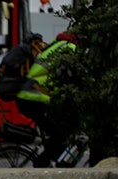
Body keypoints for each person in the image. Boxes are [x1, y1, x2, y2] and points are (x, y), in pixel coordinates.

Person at [15, 33, 77, 167]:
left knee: (59, 131)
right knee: (58, 135)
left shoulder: (55, 46)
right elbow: (78, 72)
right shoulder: (69, 47)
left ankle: (54, 161)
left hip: (30, 97)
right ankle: (41, 166)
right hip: (33, 98)